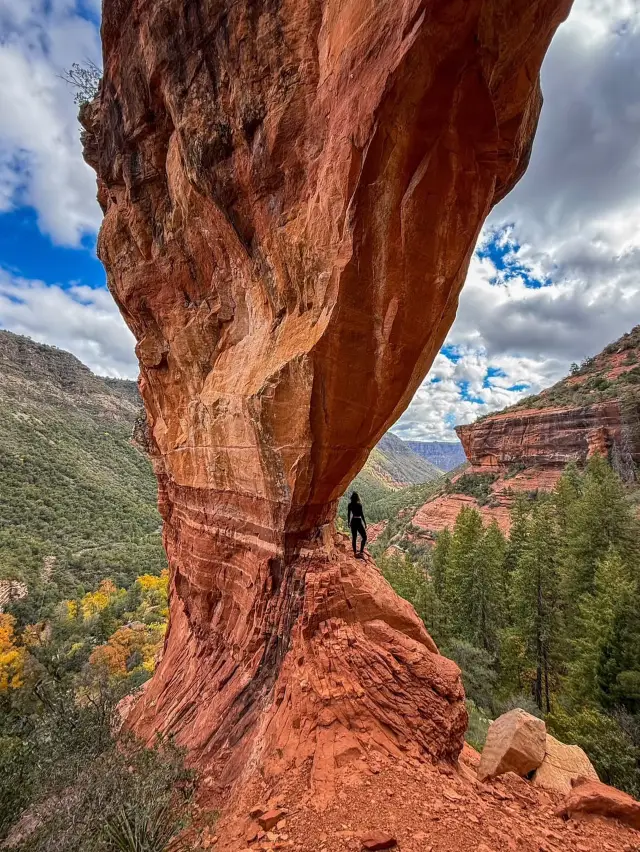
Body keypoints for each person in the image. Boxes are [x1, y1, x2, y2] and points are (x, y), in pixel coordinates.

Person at [347, 491, 367, 558]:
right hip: (358, 521)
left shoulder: (350, 505)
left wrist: (348, 522)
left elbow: (348, 514)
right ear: (357, 498)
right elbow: (362, 515)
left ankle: (355, 553)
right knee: (364, 537)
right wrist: (365, 523)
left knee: (354, 538)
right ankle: (361, 552)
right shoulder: (359, 505)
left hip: (353, 521)